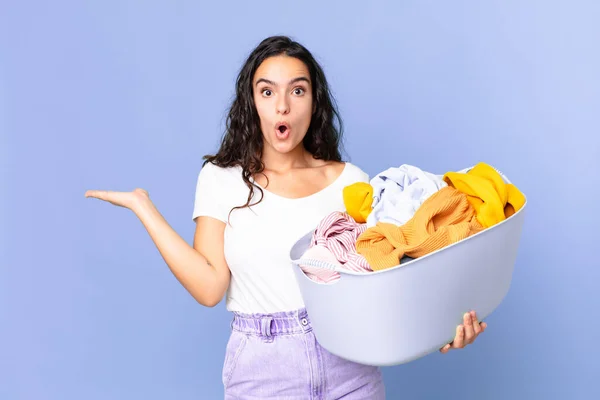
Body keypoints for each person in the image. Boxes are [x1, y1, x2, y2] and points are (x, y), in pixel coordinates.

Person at [85, 35, 486, 399]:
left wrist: (440, 330)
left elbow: (379, 284)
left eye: (297, 90)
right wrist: (144, 208)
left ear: (314, 101)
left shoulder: (350, 181)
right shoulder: (221, 178)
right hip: (263, 367)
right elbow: (209, 287)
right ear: (252, 102)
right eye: (267, 91)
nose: (283, 106)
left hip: (350, 365)